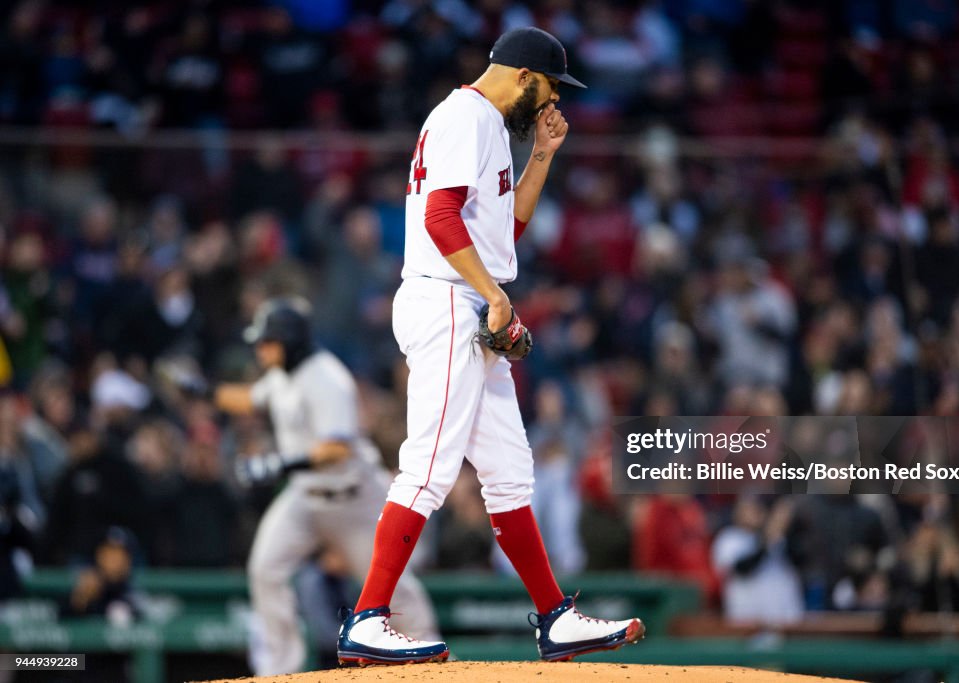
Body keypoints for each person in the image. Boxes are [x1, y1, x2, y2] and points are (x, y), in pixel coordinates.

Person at [336, 27, 645, 666]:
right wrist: (496, 299)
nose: (553, 101)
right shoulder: (466, 116)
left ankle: (555, 618)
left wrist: (543, 156)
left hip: (467, 297)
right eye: (552, 88)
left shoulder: (491, 129)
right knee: (429, 466)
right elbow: (440, 218)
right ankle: (367, 617)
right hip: (448, 299)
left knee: (508, 472)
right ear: (525, 75)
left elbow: (504, 234)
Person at [214, 297, 438, 675]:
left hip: (351, 501)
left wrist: (279, 463)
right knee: (265, 569)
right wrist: (206, 391)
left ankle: (432, 664)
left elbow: (337, 448)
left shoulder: (327, 378)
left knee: (394, 587)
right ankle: (279, 668)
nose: (261, 349)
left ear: (290, 341)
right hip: (304, 499)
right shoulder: (281, 375)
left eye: (268, 341)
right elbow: (250, 400)